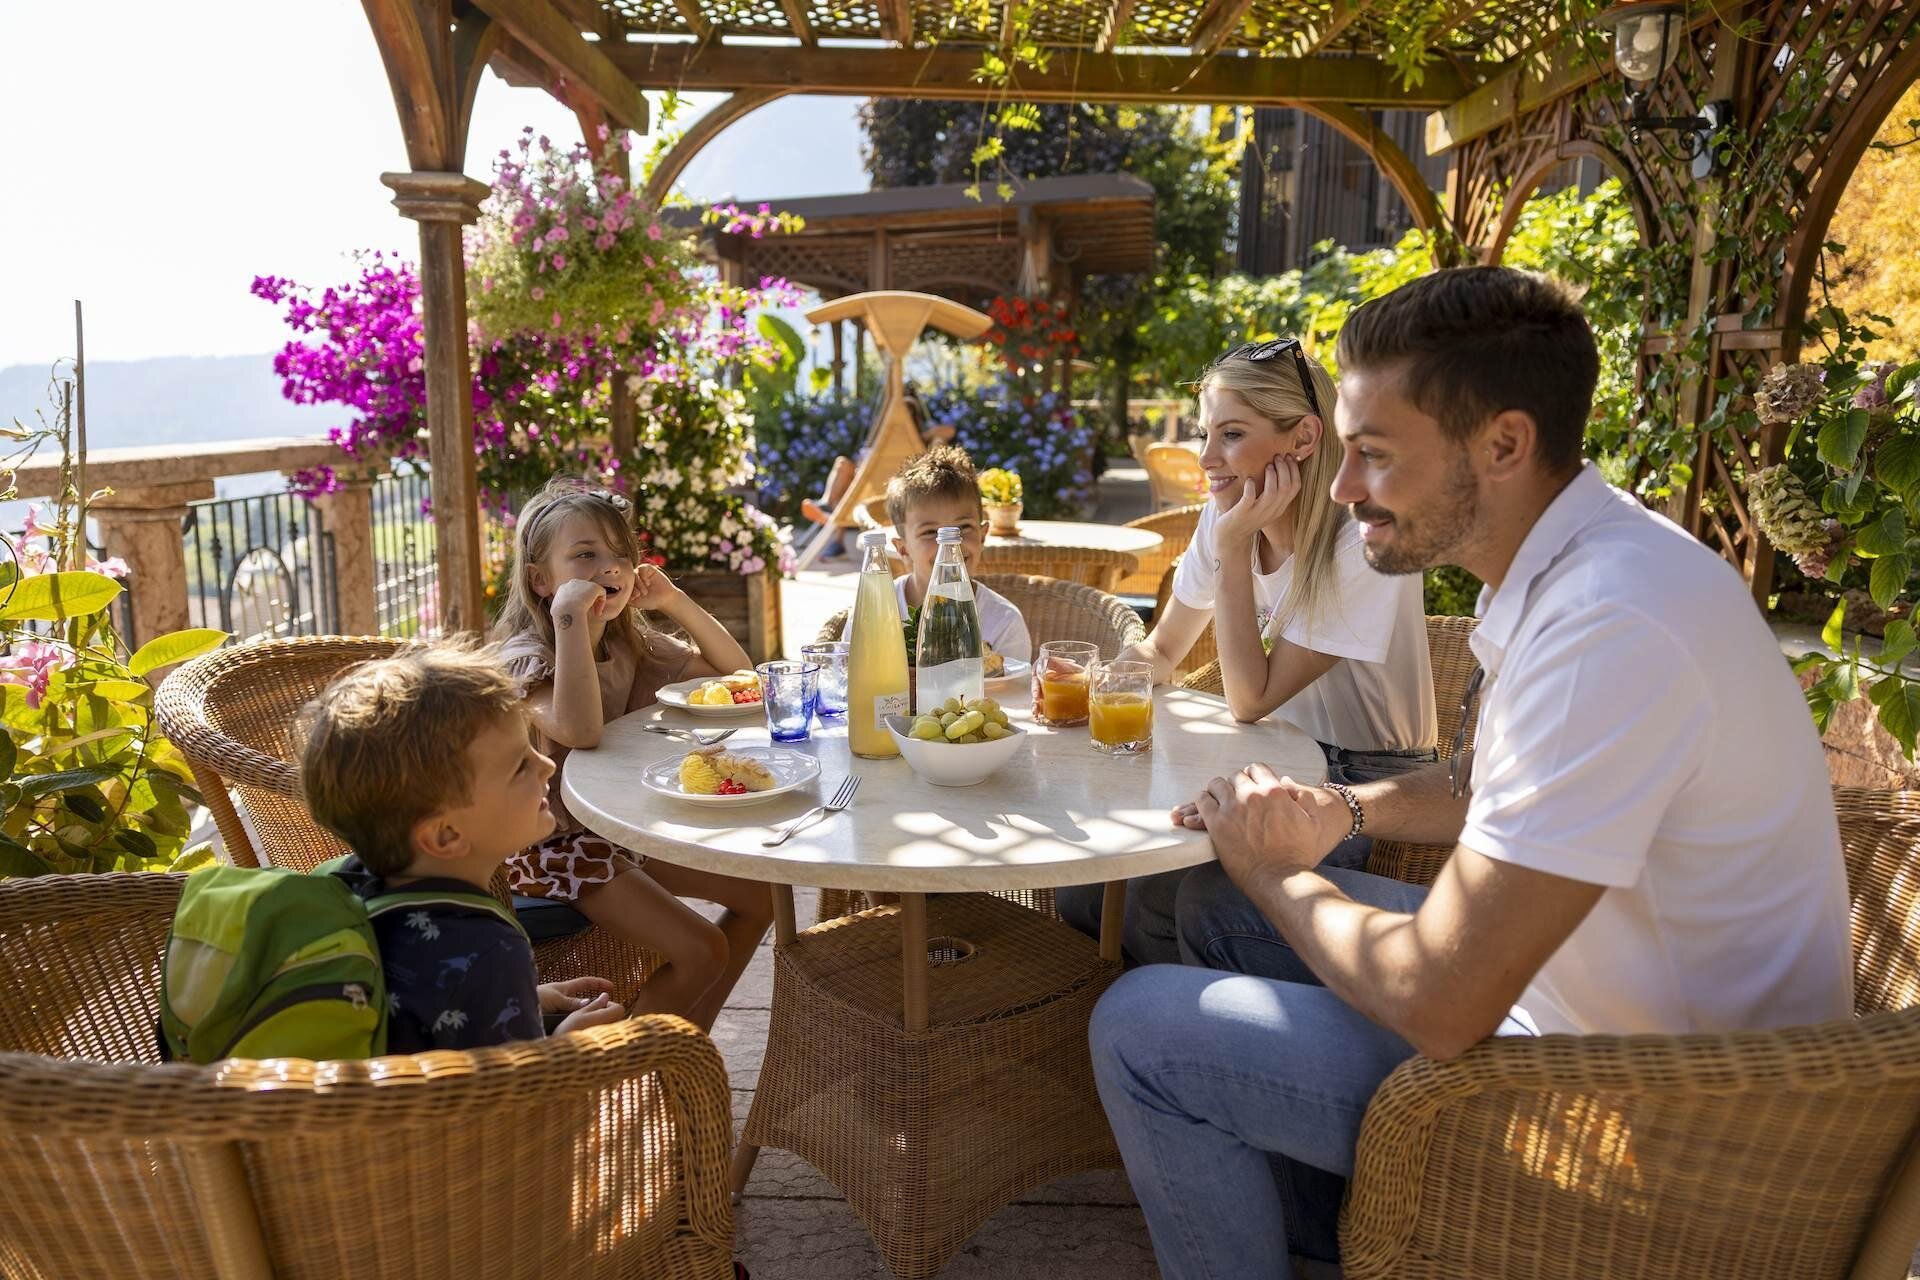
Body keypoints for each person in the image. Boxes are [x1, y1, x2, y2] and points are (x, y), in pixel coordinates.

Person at [1089, 266, 1855, 1279]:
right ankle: (1358, 1229)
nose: (1347, 486)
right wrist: (1341, 809)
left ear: (1502, 444)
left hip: (1650, 1115)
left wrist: (1281, 870)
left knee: (1141, 1029)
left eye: (1373, 455)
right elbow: (1474, 779)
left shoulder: (1609, 625)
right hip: (1583, 1016)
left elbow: (1442, 1000)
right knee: (1207, 900)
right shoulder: (1588, 565)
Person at [1056, 340, 1434, 964]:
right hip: (1269, 759)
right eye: (1206, 433)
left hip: (1363, 780)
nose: (1206, 458)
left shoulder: (1365, 536)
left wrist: (1235, 547)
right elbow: (1163, 648)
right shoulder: (1227, 511)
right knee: (1088, 892)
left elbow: (1249, 698)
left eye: (1230, 434)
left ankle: (1178, 1025)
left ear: (1304, 439)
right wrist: (1096, 679)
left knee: (1163, 902)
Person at [493, 477, 773, 1033]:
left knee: (764, 896)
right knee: (700, 949)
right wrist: (569, 621)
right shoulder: (526, 658)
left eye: (619, 554)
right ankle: (616, 1071)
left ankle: (683, 1044)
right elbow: (580, 730)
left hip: (613, 833)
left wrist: (674, 600)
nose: (608, 567)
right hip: (549, 850)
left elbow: (735, 675)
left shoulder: (627, 644)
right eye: (584, 555)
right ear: (541, 580)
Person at [299, 640, 628, 1052]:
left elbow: (418, 1007)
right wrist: (566, 1045)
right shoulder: (490, 950)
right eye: (519, 767)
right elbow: (514, 1104)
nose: (547, 765)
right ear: (446, 836)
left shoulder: (345, 881)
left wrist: (527, 999)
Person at [838, 444, 1032, 663]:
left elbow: (1014, 693)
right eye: (930, 532)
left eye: (963, 528)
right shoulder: (873, 613)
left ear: (982, 535)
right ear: (903, 549)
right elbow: (848, 679)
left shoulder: (1003, 622)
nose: (949, 544)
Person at [800, 382, 958, 558]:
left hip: (896, 486)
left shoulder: (919, 440)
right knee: (843, 464)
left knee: (848, 492)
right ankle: (827, 505)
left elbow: (949, 431)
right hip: (870, 483)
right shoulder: (885, 437)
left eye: (907, 410)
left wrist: (925, 434)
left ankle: (837, 538)